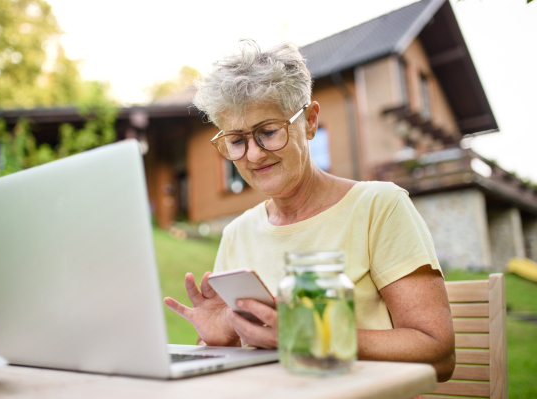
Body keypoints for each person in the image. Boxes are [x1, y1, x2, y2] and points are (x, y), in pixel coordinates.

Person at [163, 39, 455, 382]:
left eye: (268, 132)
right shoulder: (236, 233)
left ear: (311, 121)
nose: (254, 155)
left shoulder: (379, 207)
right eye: (237, 141)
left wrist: (304, 337)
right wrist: (222, 334)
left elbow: (437, 352)